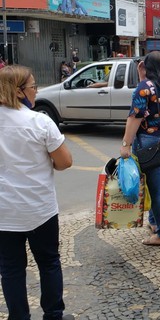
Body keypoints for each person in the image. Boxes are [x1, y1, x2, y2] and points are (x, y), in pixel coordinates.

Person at [0, 65, 74, 320]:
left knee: (10, 270)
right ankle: (53, 314)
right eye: (33, 86)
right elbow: (65, 162)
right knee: (49, 262)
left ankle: (18, 317)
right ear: (20, 91)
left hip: (4, 213)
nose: (36, 90)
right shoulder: (40, 122)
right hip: (39, 209)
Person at [119, 52, 160, 246]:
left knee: (156, 189)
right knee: (154, 182)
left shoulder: (144, 88)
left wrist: (126, 144)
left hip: (151, 145)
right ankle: (154, 223)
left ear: (147, 67)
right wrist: (142, 78)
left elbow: (135, 117)